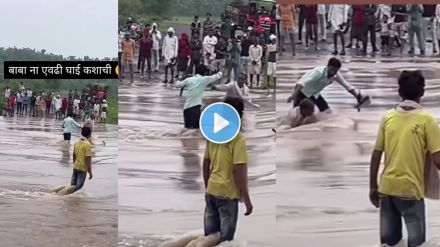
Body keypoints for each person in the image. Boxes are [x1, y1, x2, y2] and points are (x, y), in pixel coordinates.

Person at [369, 70, 440, 247]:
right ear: (422, 92)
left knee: (388, 244)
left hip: (386, 189)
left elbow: (376, 154)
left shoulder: (388, 117)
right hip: (410, 190)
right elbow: (438, 159)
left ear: (399, 92)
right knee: (417, 244)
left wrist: (373, 187)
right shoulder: (427, 120)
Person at [203, 96, 253, 245]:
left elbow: (206, 164)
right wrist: (247, 200)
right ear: (240, 115)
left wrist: (208, 186)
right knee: (225, 242)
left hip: (211, 191)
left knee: (210, 239)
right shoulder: (238, 139)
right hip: (228, 195)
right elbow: (238, 171)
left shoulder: (212, 134)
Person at [287, 57, 365, 112]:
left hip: (314, 94)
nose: (333, 73)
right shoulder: (318, 72)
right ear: (327, 67)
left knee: (326, 111)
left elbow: (347, 86)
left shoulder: (336, 75)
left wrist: (358, 97)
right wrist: (294, 96)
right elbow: (301, 83)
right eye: (331, 70)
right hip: (302, 92)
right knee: (298, 113)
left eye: (335, 71)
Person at [175, 65, 222, 129]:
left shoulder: (189, 80)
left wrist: (179, 79)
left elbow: (177, 85)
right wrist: (218, 70)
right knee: (195, 131)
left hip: (186, 108)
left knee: (187, 129)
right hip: (195, 108)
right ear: (205, 73)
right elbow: (218, 76)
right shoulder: (204, 79)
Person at [70, 126, 93, 194]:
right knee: (78, 189)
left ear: (81, 132)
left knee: (72, 187)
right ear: (89, 134)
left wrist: (74, 164)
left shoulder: (76, 142)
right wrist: (90, 172)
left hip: (76, 167)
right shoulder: (88, 144)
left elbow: (74, 155)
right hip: (82, 169)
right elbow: (87, 159)